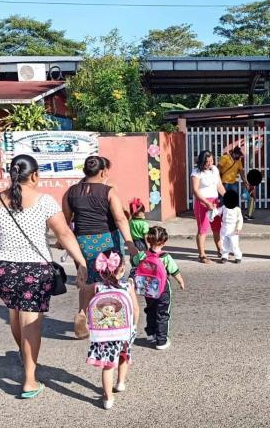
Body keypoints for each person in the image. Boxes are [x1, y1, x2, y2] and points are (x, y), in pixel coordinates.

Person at [0, 154, 88, 399]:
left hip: (2, 269)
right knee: (30, 323)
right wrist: (80, 261)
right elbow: (63, 234)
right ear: (34, 175)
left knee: (15, 313)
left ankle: (26, 359)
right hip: (34, 270)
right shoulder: (45, 202)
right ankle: (29, 379)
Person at [62, 155, 139, 340]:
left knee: (87, 279)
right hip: (107, 240)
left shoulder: (71, 192)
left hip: (82, 242)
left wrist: (63, 241)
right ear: (103, 172)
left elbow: (65, 220)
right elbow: (120, 219)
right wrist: (130, 243)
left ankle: (82, 315)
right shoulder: (108, 192)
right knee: (110, 280)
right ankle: (106, 319)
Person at [86, 250, 139, 410]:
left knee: (108, 365)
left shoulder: (96, 287)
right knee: (124, 356)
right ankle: (121, 383)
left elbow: (85, 300)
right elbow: (135, 309)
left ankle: (108, 398)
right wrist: (134, 326)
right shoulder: (128, 285)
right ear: (122, 268)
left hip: (103, 334)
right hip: (124, 332)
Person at [131, 226, 185, 350]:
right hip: (162, 289)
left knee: (150, 310)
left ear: (148, 240)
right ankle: (161, 340)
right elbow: (175, 271)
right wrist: (181, 281)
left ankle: (151, 334)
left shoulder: (142, 255)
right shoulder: (165, 257)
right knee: (162, 313)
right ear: (164, 242)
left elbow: (134, 262)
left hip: (147, 288)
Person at [191, 150, 226, 263]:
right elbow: (195, 190)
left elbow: (219, 185)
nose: (210, 163)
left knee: (217, 227)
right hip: (202, 203)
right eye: (207, 162)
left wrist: (228, 197)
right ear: (202, 162)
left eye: (211, 160)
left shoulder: (215, 170)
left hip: (215, 202)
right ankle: (202, 255)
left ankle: (220, 249)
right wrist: (206, 203)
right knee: (203, 229)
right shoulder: (196, 172)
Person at [209, 189, 244, 263]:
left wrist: (238, 228)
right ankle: (224, 256)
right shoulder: (224, 207)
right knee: (223, 243)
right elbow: (217, 212)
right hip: (224, 227)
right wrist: (213, 209)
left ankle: (238, 256)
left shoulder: (237, 209)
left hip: (233, 229)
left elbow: (240, 220)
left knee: (234, 244)